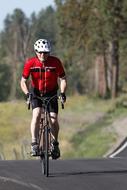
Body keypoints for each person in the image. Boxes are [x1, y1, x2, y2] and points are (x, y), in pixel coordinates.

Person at [20, 39, 67, 159]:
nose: (43, 55)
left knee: (54, 119)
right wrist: (27, 94)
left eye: (45, 52)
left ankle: (55, 143)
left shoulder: (55, 62)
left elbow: (63, 79)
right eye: (40, 52)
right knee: (36, 114)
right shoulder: (30, 63)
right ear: (36, 52)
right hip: (36, 94)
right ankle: (34, 143)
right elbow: (23, 81)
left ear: (49, 52)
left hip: (51, 93)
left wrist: (62, 93)